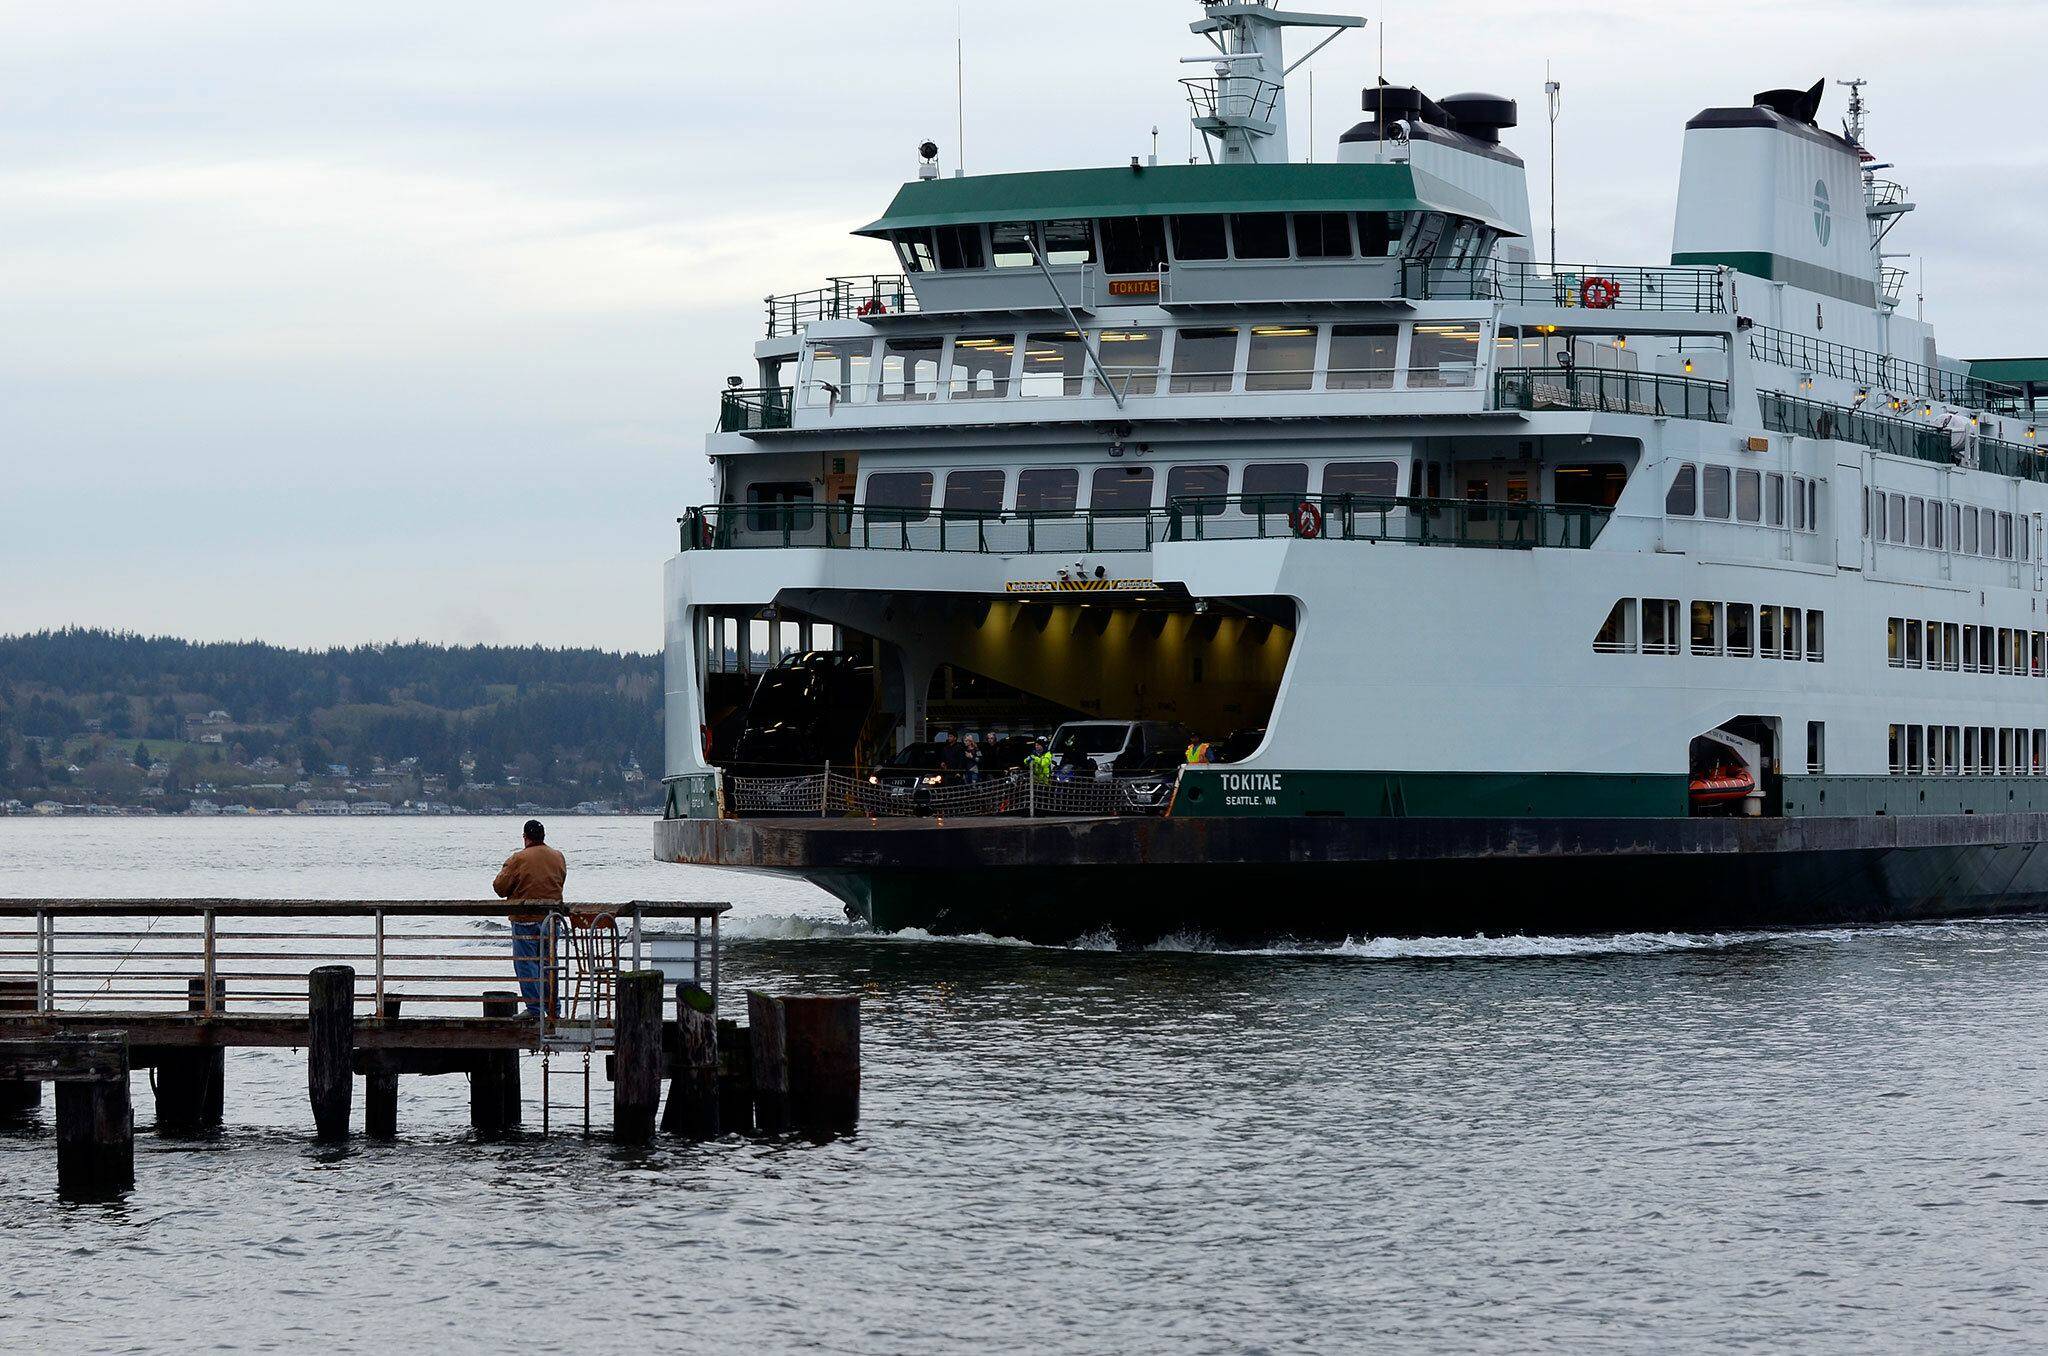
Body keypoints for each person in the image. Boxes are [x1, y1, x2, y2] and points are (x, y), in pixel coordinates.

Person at [492, 818, 567, 1018]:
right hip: (551, 920)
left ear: (526, 838)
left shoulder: (518, 859)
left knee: (526, 964)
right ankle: (553, 1009)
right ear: (543, 837)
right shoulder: (558, 857)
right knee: (549, 964)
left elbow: (499, 887)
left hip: (525, 920)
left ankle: (534, 1009)